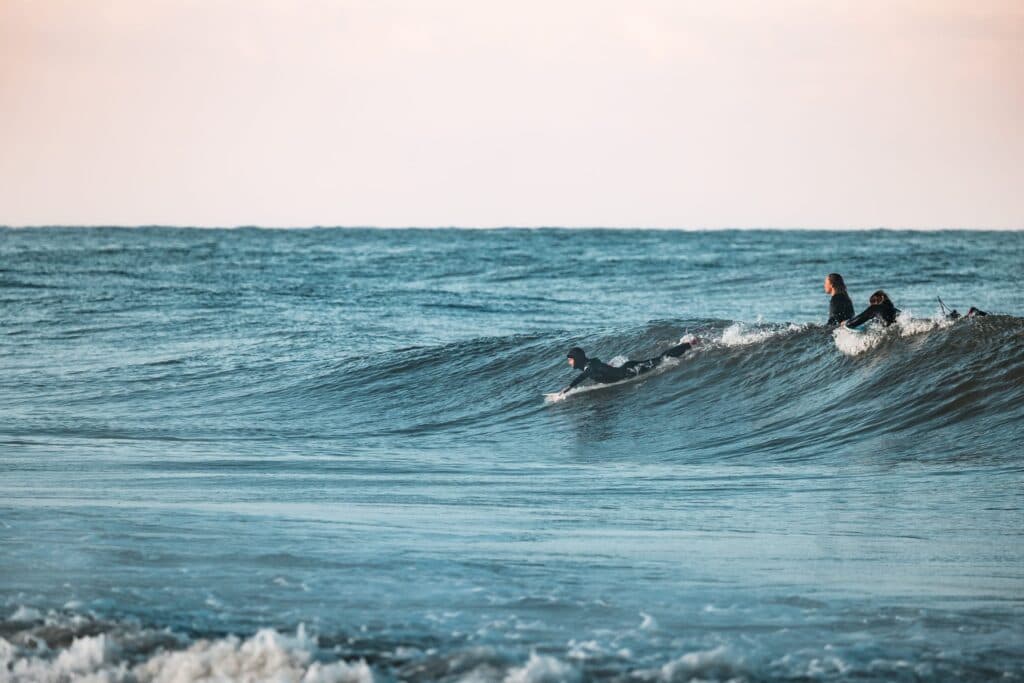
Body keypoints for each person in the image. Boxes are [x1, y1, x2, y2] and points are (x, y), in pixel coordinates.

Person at [559, 339, 698, 395]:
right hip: (626, 369)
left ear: (577, 359)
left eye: (570, 360)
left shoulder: (589, 367)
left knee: (662, 359)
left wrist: (569, 387)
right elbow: (597, 364)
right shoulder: (590, 364)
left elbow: (585, 374)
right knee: (660, 359)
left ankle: (689, 344)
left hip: (630, 371)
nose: (569, 363)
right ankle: (687, 345)